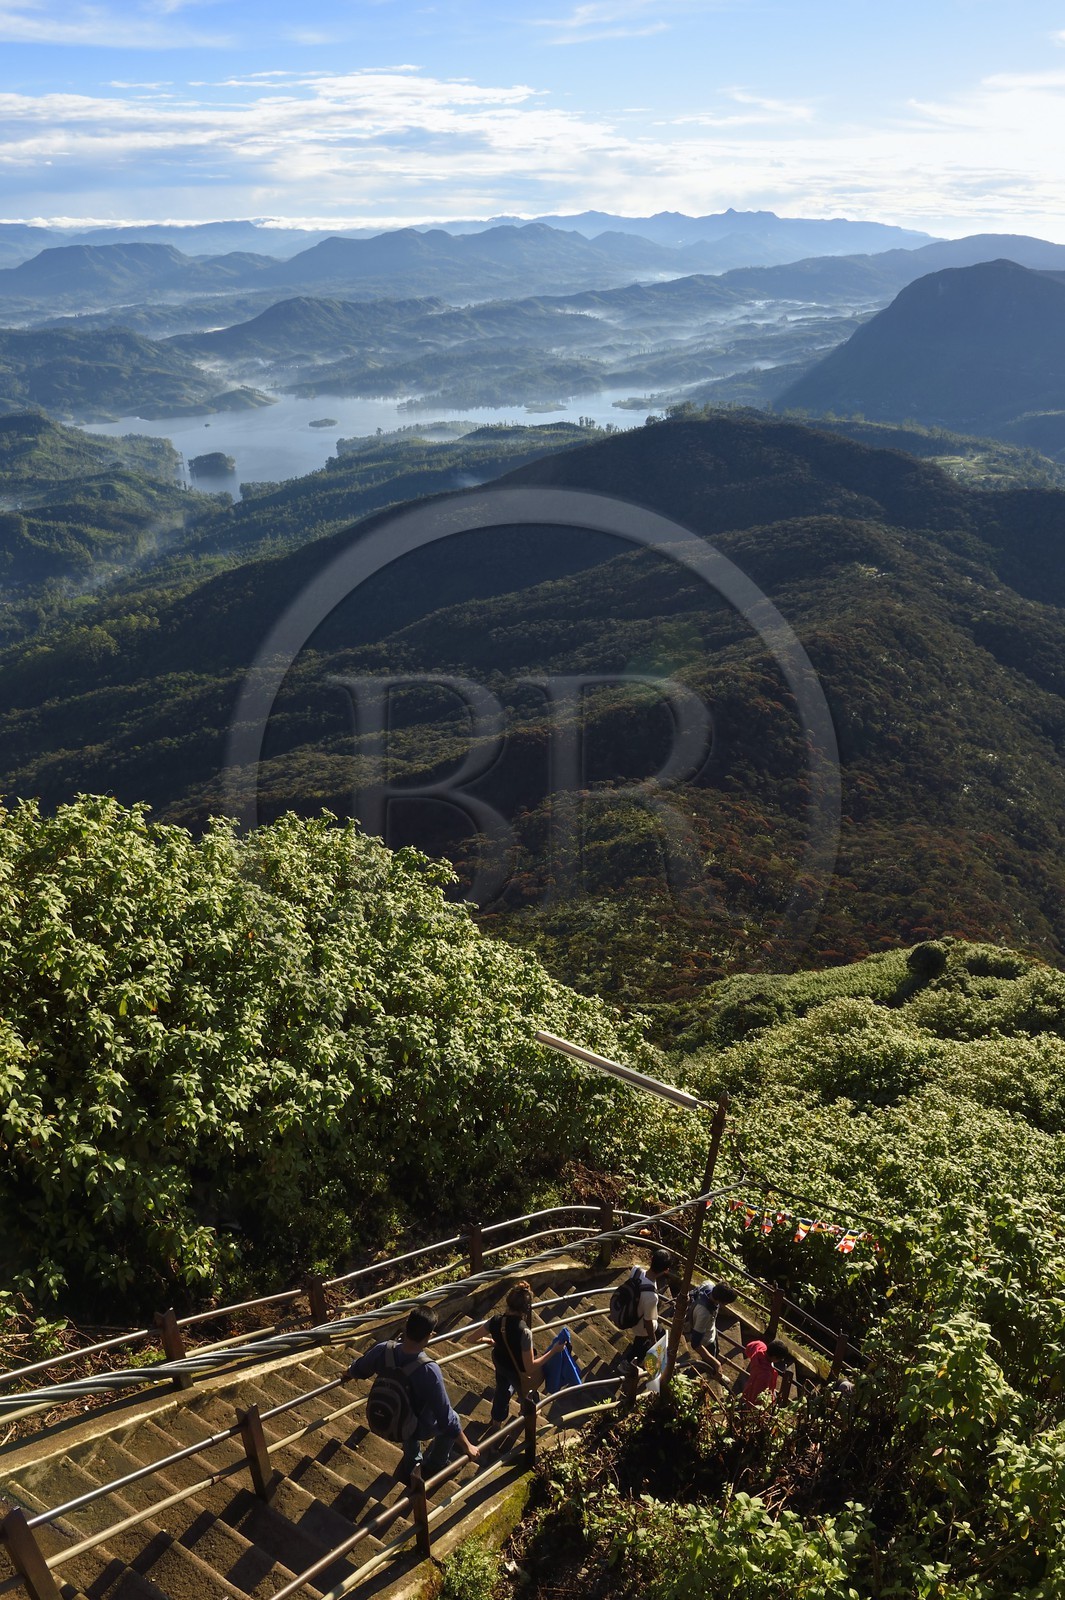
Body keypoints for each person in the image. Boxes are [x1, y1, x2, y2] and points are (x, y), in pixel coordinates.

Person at [346, 1304, 481, 1484]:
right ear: (429, 1336)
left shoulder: (383, 1349)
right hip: (415, 1426)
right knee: (452, 1418)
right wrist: (468, 1447)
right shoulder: (428, 1370)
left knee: (409, 1412)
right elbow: (446, 1418)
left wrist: (347, 1373)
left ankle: (412, 1464)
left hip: (385, 1419)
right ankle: (436, 1464)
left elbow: (359, 1370)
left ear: (406, 1327)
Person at [480, 1280, 557, 1426]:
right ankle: (526, 1414)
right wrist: (554, 1351)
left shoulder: (495, 1320)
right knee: (527, 1393)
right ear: (526, 1308)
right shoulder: (524, 1332)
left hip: (500, 1362)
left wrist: (489, 1340)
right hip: (517, 1370)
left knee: (501, 1390)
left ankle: (496, 1423)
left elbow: (471, 1338)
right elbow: (530, 1366)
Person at [624, 1247, 673, 1364]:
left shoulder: (636, 1271)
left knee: (660, 1334)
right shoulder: (652, 1296)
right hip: (642, 1327)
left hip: (630, 1314)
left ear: (651, 1259)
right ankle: (629, 1363)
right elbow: (648, 1322)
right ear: (666, 1270)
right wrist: (652, 1339)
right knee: (643, 1345)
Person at [688, 1280, 739, 1360]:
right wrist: (715, 1363)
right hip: (706, 1340)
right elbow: (695, 1343)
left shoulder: (708, 1284)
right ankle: (689, 1372)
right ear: (720, 1302)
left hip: (711, 1330)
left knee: (716, 1351)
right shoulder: (704, 1314)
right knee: (707, 1366)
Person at [735, 1337, 790, 1404]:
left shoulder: (759, 1347)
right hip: (750, 1397)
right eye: (780, 1359)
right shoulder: (765, 1375)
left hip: (750, 1383)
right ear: (774, 1357)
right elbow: (758, 1395)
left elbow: (750, 1347)